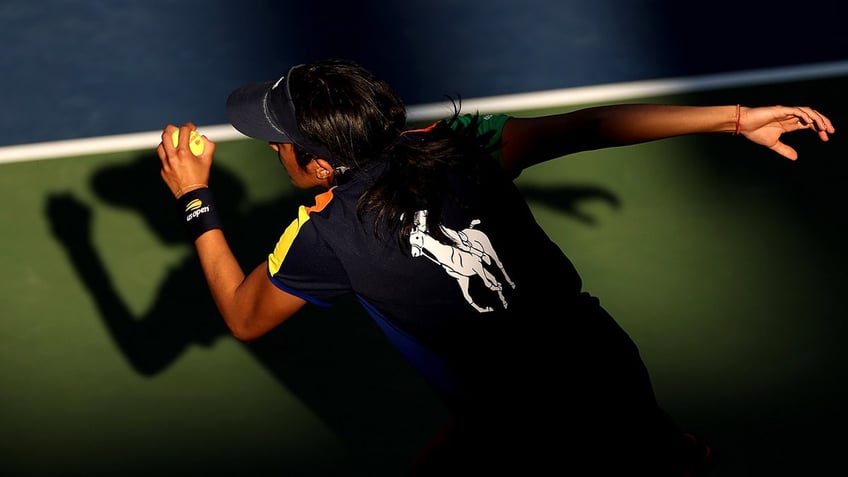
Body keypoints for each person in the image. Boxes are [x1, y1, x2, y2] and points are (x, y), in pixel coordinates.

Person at [156, 58, 834, 476]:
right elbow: (587, 126)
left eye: (279, 142)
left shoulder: (322, 236)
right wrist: (737, 117)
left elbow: (244, 316)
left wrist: (195, 198)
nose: (274, 152)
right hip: (601, 363)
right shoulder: (460, 143)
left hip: (519, 426)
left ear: (320, 161)